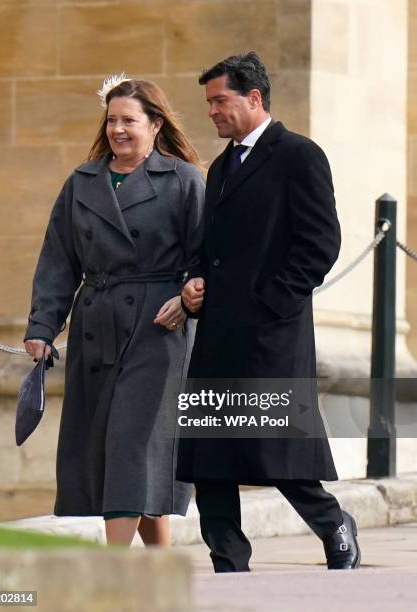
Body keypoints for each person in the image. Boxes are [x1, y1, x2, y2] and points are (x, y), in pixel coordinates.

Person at [176, 52, 360, 572]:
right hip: (216, 334)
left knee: (275, 449)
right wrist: (194, 281)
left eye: (220, 101)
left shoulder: (298, 155)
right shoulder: (219, 168)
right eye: (208, 102)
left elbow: (320, 244)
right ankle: (228, 561)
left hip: (270, 333)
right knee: (210, 458)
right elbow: (207, 245)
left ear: (253, 98)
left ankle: (334, 524)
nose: (211, 111)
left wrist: (271, 303)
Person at [23, 76, 205, 547]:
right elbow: (58, 260)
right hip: (96, 325)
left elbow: (207, 255)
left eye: (129, 120)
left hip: (157, 327)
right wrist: (43, 325)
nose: (118, 129)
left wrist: (188, 298)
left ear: (156, 124)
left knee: (130, 444)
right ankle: (161, 565)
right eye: (112, 120)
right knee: (118, 450)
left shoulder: (183, 180)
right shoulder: (82, 181)